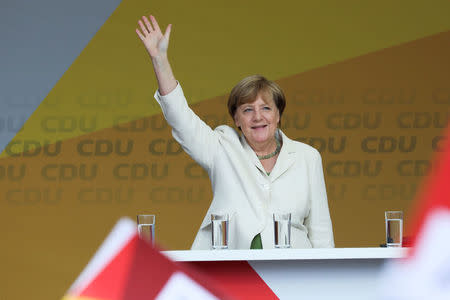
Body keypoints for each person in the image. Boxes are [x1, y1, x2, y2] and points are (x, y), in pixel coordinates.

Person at [136, 15, 334, 249]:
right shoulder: (222, 147)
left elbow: (321, 232)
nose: (258, 117)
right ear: (236, 119)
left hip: (294, 276)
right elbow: (181, 119)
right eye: (248, 110)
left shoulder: (307, 157)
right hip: (232, 268)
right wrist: (160, 61)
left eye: (266, 108)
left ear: (279, 115)